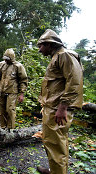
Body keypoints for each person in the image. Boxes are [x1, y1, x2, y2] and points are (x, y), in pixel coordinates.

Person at [36, 29, 83, 174]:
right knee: (55, 143)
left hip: (58, 108)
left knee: (56, 144)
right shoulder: (57, 57)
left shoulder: (65, 55)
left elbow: (74, 81)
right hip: (53, 107)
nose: (39, 50)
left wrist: (62, 107)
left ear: (50, 44)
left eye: (41, 46)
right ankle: (55, 170)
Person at [0, 48, 28, 130]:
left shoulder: (18, 66)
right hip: (1, 90)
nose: (6, 61)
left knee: (10, 110)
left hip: (12, 91)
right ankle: (3, 128)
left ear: (12, 58)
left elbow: (23, 80)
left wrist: (22, 94)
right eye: (5, 59)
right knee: (1, 110)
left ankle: (10, 129)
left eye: (8, 59)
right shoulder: (1, 65)